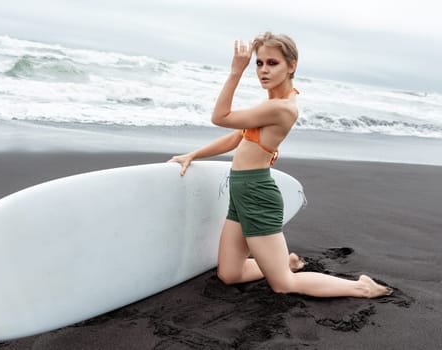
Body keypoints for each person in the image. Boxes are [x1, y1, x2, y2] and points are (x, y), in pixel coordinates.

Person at [168, 32, 392, 298]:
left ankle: (361, 286)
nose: (263, 70)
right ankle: (287, 263)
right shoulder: (272, 103)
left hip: (257, 194)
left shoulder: (282, 108)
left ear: (292, 65)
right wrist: (194, 154)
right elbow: (238, 136)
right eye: (259, 63)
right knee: (229, 274)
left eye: (272, 63)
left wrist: (235, 72)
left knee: (283, 285)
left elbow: (220, 117)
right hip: (241, 192)